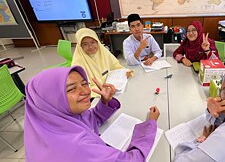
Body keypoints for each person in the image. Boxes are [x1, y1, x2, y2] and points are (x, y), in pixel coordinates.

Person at [24, 66, 160, 162]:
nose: (85, 91)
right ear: (50, 99)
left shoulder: (47, 121)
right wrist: (150, 124)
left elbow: (89, 118)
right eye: (72, 89)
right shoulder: (77, 146)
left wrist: (105, 101)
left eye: (85, 83)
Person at [72, 28, 131, 97]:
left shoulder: (103, 51)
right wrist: (102, 90)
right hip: (94, 96)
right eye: (85, 44)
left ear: (97, 42)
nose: (90, 46)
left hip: (113, 89)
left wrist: (125, 72)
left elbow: (115, 66)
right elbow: (81, 88)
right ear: (80, 46)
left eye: (93, 42)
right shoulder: (77, 63)